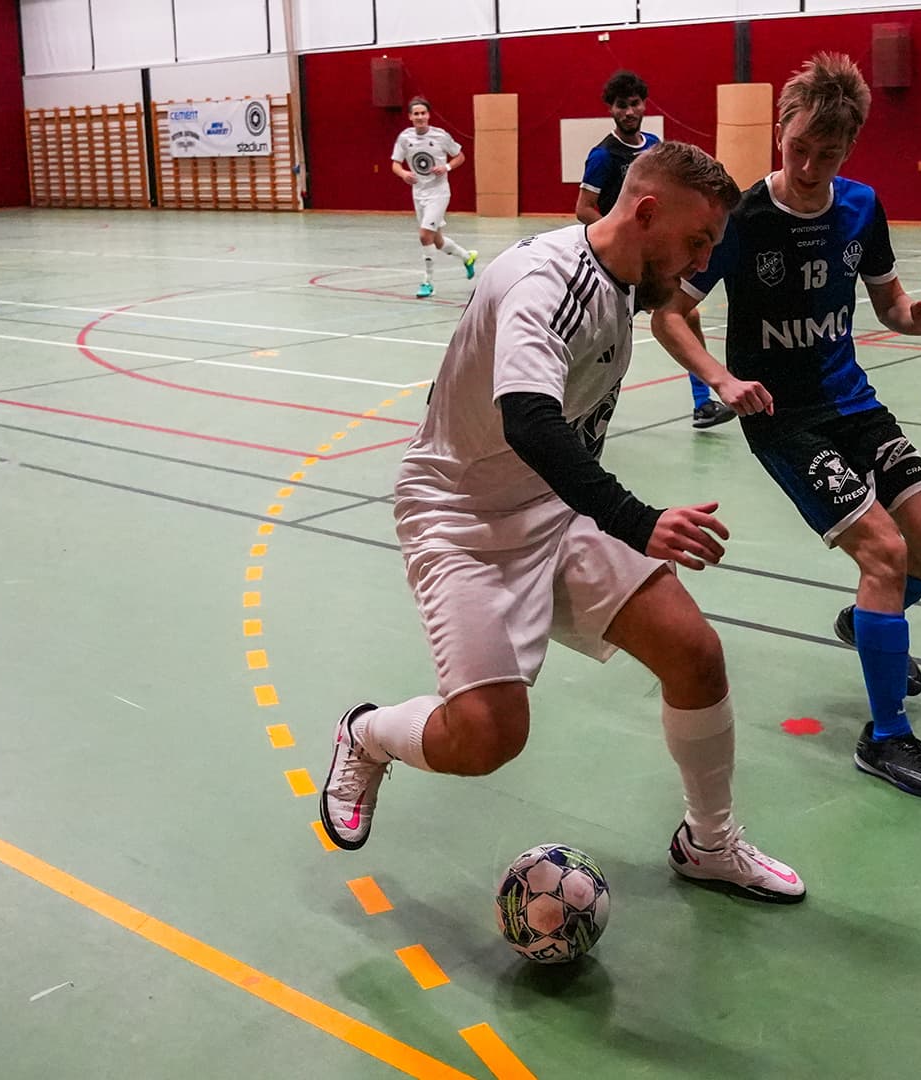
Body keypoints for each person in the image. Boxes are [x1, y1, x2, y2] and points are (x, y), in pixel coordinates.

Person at [321, 140, 804, 903]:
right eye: (696, 241)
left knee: (695, 655)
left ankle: (710, 843)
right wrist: (636, 520)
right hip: (462, 515)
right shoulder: (548, 282)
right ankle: (367, 733)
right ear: (646, 212)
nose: (698, 263)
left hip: (551, 503)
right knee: (489, 737)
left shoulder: (622, 279)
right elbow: (529, 421)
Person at [652, 54, 921, 801]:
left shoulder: (860, 207)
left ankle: (868, 622)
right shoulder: (743, 219)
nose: (811, 164)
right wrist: (722, 380)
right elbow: (669, 312)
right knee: (885, 551)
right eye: (799, 147)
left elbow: (888, 306)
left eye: (829, 154)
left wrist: (914, 322)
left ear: (848, 150)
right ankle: (887, 736)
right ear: (780, 131)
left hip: (853, 403)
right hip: (783, 418)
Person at [576, 70, 733, 431]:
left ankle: (702, 404)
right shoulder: (603, 156)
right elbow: (584, 207)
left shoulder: (656, 148)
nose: (629, 111)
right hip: (623, 261)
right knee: (603, 334)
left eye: (634, 104)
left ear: (644, 105)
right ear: (611, 110)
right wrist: (621, 235)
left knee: (684, 315)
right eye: (621, 105)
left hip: (657, 260)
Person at [391, 97, 478, 297]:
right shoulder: (405, 138)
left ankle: (427, 283)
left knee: (424, 236)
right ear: (410, 117)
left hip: (439, 192)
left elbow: (460, 156)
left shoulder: (440, 136)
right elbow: (395, 163)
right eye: (416, 114)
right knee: (436, 241)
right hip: (418, 193)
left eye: (423, 113)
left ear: (428, 115)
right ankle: (466, 257)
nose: (420, 117)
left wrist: (446, 166)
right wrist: (404, 174)